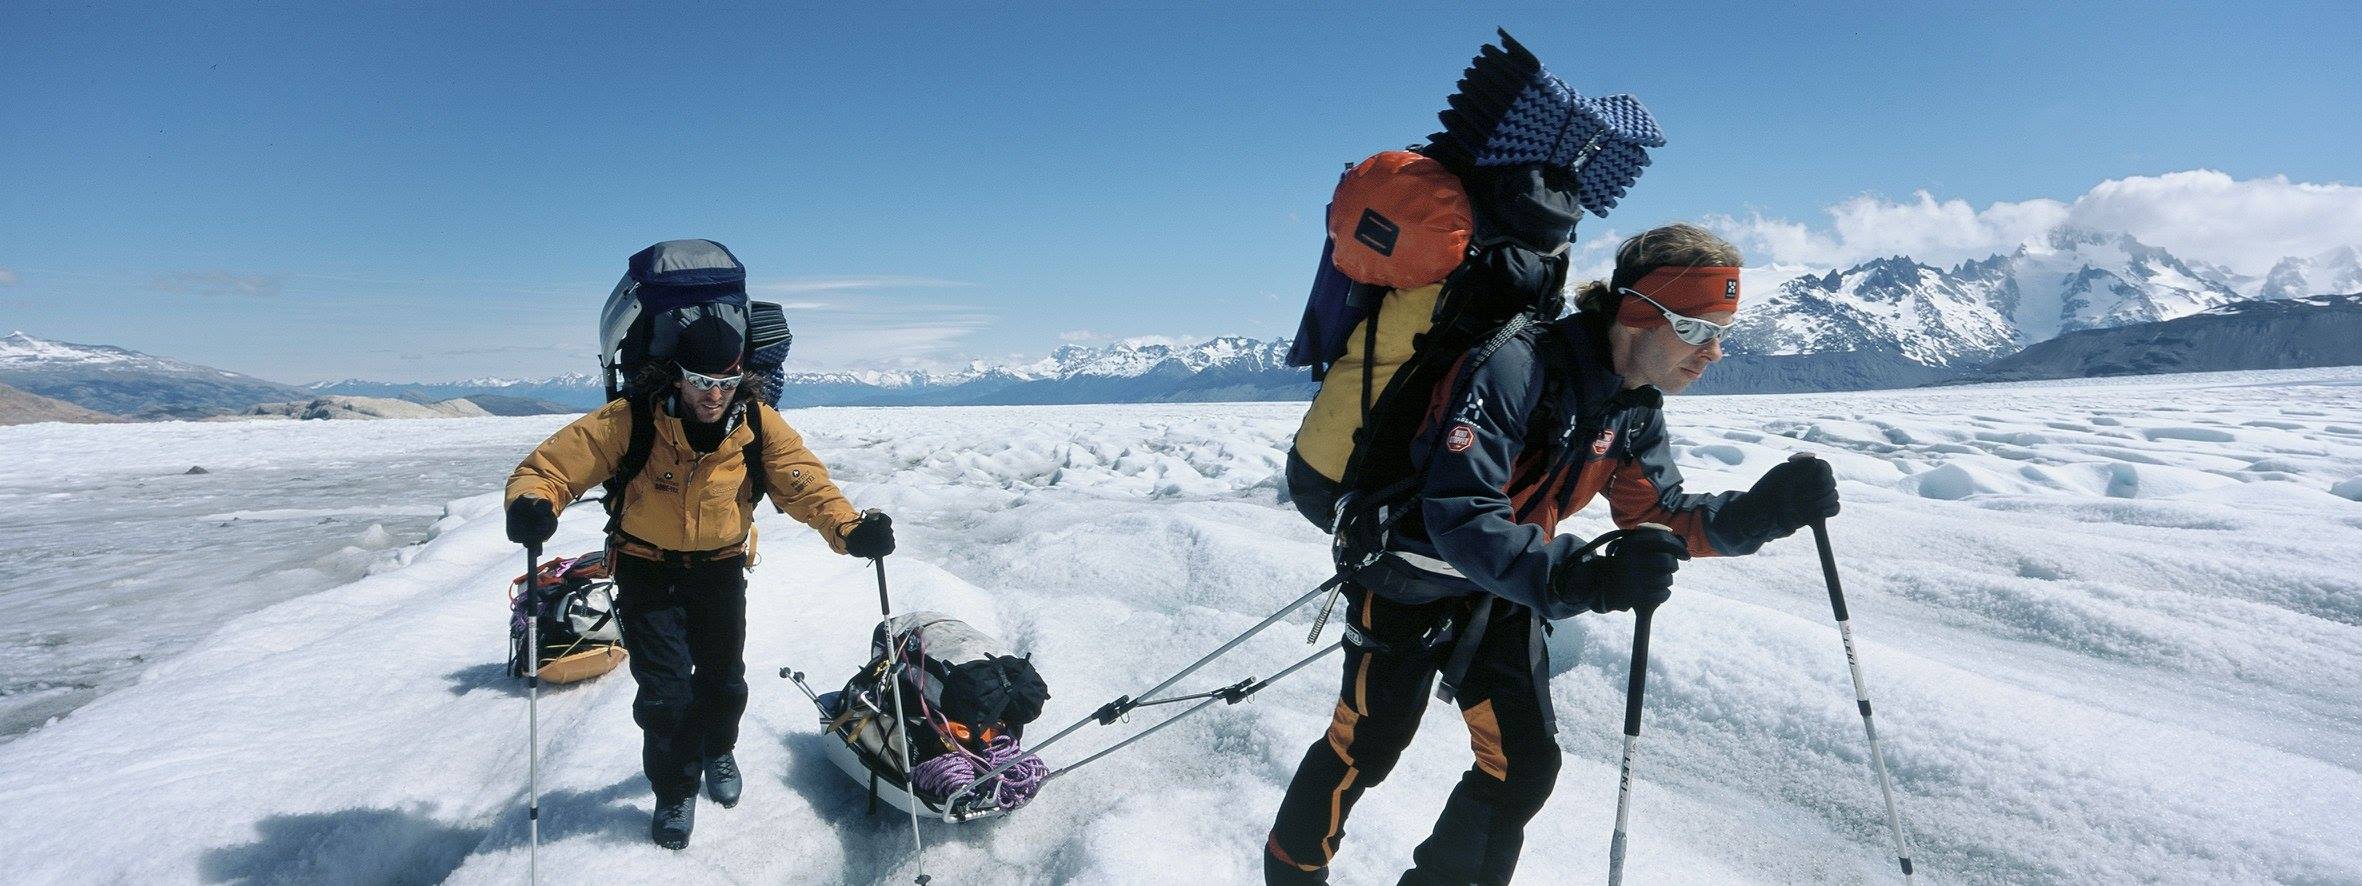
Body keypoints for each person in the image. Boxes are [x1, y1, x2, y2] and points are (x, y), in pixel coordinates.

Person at [1264, 223, 1841, 884]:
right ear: (1637, 313)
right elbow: (1459, 513)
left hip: (1508, 584)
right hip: (1410, 574)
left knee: (1524, 766)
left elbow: (1657, 511)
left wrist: (1761, 514)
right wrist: (1574, 575)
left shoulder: (1630, 407)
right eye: (1694, 328)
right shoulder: (1518, 365)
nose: (1711, 352)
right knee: (1365, 746)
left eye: (1722, 333)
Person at [503, 314, 896, 850]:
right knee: (666, 695)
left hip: (719, 570)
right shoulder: (631, 420)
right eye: (702, 382)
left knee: (724, 681)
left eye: (726, 383)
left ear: (741, 379)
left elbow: (805, 484)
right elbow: (551, 467)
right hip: (646, 569)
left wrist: (850, 530)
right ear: (678, 376)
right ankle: (675, 789)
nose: (714, 396)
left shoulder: (757, 423)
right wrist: (533, 504)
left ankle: (717, 747)